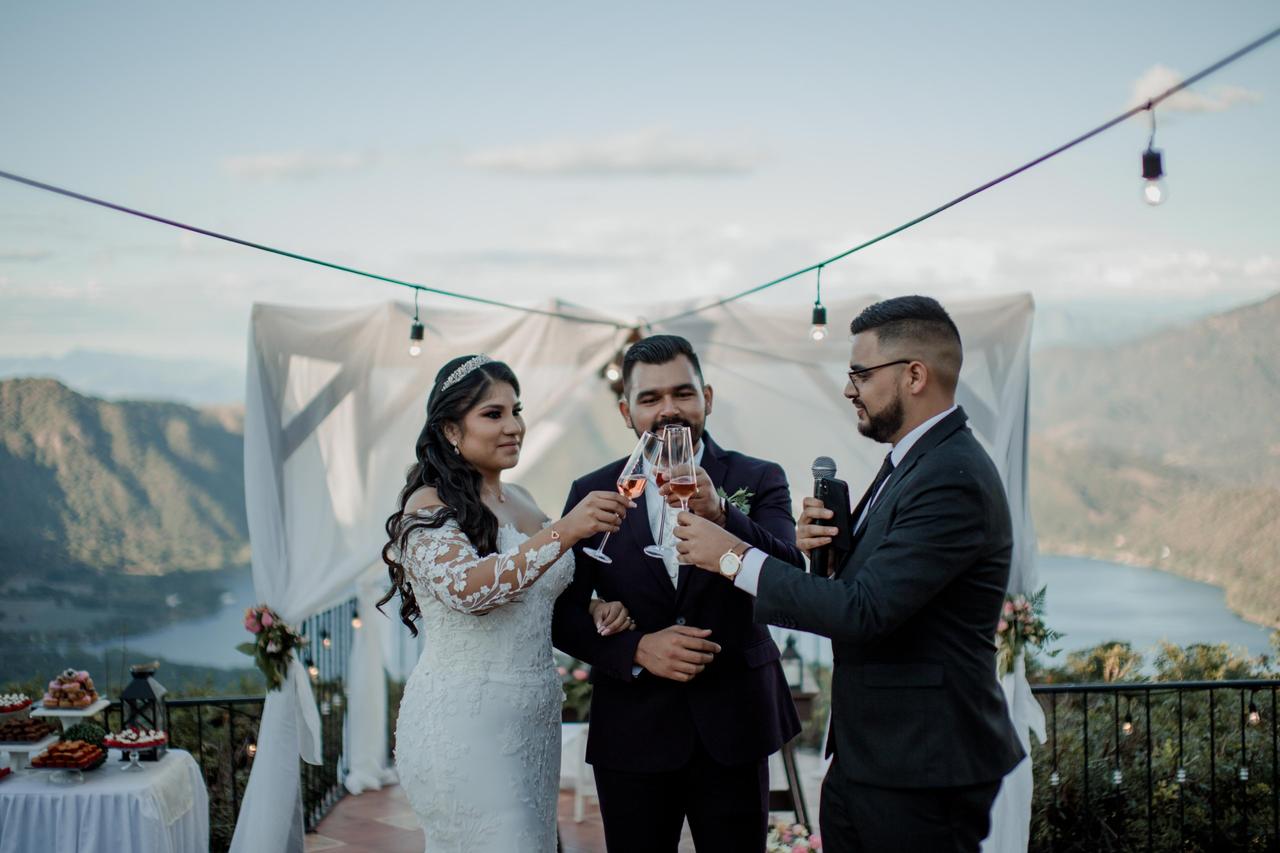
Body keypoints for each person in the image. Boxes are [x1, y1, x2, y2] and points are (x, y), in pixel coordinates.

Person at [673, 297, 1025, 853]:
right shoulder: (911, 461)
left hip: (921, 766)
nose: (849, 389)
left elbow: (862, 612)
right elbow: (882, 585)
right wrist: (835, 549)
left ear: (913, 375)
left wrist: (730, 557)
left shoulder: (951, 476)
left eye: (860, 373)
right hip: (874, 755)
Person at [552, 334, 804, 853]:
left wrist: (721, 514)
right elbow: (560, 612)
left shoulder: (758, 478)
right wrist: (635, 648)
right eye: (650, 398)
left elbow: (789, 573)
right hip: (633, 725)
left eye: (682, 394)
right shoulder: (591, 490)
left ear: (706, 398)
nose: (669, 410)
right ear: (627, 412)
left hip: (735, 721)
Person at [378, 354, 636, 852]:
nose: (514, 426)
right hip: (463, 725)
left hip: (533, 726)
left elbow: (539, 587)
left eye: (516, 410)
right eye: (493, 414)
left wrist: (596, 608)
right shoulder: (427, 505)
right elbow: (470, 590)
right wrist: (567, 529)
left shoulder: (521, 499)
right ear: (452, 429)